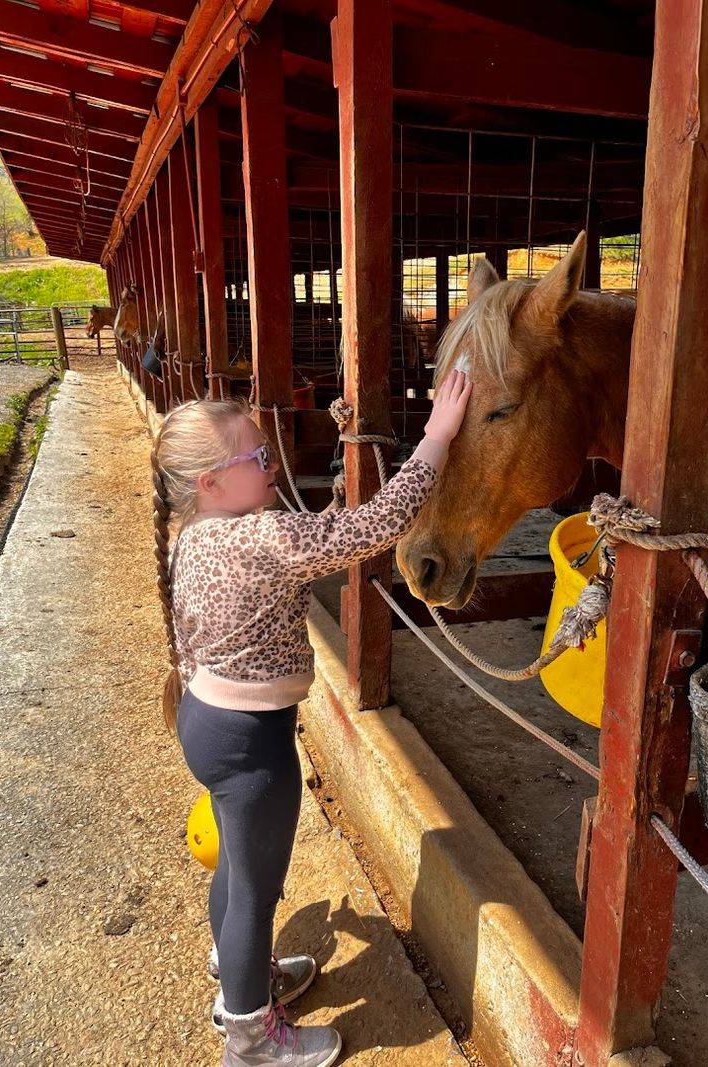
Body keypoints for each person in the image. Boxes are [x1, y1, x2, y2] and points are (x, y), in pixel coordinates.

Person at [149, 370, 472, 1067]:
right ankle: (252, 1038)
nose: (275, 464)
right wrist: (437, 438)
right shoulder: (261, 538)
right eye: (259, 458)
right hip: (252, 744)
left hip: (209, 724)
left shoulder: (193, 534)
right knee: (256, 893)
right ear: (210, 481)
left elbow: (317, 534)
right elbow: (374, 528)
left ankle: (240, 983)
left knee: (238, 873)